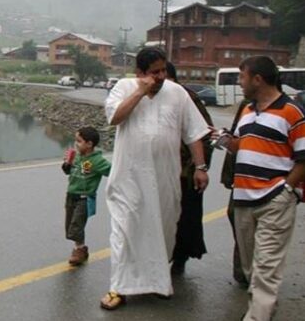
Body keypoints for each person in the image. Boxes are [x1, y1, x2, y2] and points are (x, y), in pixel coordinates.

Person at [100, 48, 210, 310]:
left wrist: (200, 166)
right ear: (140, 73)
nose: (161, 76)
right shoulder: (124, 87)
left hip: (164, 178)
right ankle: (119, 287)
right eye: (155, 72)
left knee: (163, 229)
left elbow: (193, 133)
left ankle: (157, 281)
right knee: (125, 229)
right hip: (129, 178)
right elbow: (114, 118)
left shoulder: (177, 93)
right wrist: (139, 92)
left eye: (163, 70)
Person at [216, 56, 305, 321]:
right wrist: (224, 141)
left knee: (266, 270)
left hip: (273, 201)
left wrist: (286, 190)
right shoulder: (246, 110)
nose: (239, 83)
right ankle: (262, 310)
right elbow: (243, 145)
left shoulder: (292, 112)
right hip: (243, 200)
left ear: (258, 79)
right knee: (251, 269)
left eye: (242, 77)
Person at [166, 62, 214, 275]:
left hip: (184, 172)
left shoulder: (188, 99)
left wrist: (198, 168)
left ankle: (180, 258)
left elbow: (203, 135)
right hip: (161, 170)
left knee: (185, 218)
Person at [61, 127, 111, 266]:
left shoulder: (98, 161)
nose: (76, 144)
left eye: (79, 141)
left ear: (89, 144)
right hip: (71, 195)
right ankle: (82, 247)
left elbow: (113, 172)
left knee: (77, 225)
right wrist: (67, 163)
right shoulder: (77, 156)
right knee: (70, 227)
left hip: (85, 197)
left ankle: (79, 251)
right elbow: (67, 171)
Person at [220, 98, 250, 286]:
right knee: (235, 215)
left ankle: (255, 274)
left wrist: (290, 187)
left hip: (270, 185)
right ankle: (243, 271)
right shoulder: (246, 106)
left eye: (242, 77)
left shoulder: (287, 109)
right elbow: (234, 139)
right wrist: (228, 174)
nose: (240, 82)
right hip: (242, 178)